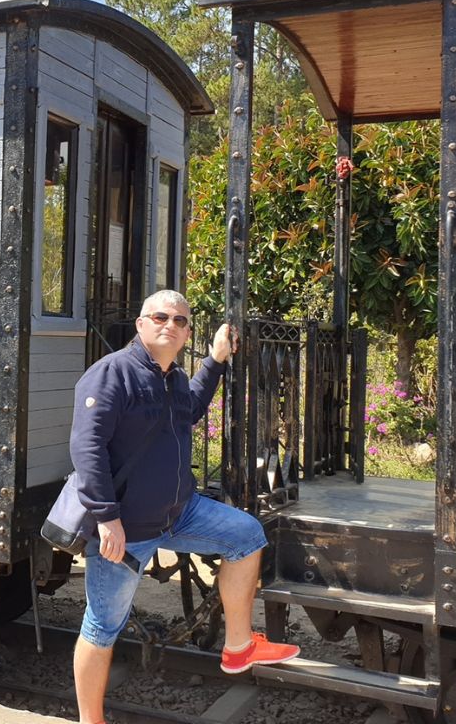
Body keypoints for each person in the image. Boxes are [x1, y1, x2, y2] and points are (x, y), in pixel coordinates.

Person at [70, 289, 299, 724]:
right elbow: (87, 448)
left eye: (180, 321)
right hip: (128, 528)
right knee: (101, 628)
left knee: (247, 535)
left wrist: (214, 361)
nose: (170, 325)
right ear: (141, 324)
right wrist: (107, 519)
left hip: (179, 513)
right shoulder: (111, 374)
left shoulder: (172, 377)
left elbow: (189, 409)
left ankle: (237, 647)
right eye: (161, 317)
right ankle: (90, 720)